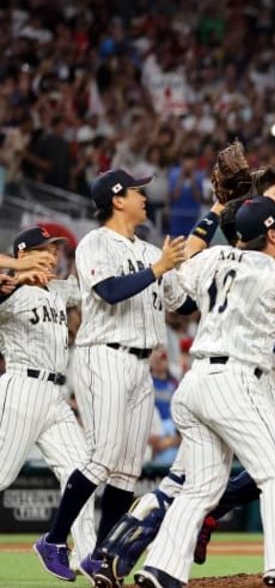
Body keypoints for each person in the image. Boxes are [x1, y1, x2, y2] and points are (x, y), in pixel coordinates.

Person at [134, 196, 275, 588]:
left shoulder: (212, 258)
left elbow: (176, 299)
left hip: (195, 383)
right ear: (272, 233)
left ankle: (160, 568)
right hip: (238, 380)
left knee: (201, 487)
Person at [34, 169, 190, 581]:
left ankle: (102, 556)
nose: (145, 196)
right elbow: (110, 292)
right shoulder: (94, 243)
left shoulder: (151, 249)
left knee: (126, 469)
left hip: (141, 362)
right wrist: (159, 268)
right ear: (117, 199)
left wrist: (189, 258)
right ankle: (52, 539)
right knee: (103, 457)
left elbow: (183, 304)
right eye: (138, 191)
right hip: (102, 355)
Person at [0, 229, 97, 577]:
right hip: (22, 387)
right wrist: (16, 271)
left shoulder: (57, 290)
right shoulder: (10, 290)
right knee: (2, 473)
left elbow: (91, 285)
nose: (54, 256)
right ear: (25, 253)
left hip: (55, 396)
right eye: (45, 251)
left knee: (82, 470)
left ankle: (85, 554)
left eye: (55, 250)